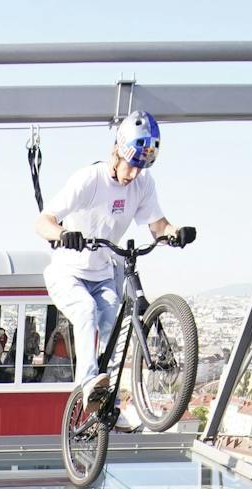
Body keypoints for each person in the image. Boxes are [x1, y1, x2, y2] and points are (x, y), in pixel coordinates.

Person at [36, 112, 195, 397]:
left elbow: (157, 225)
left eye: (141, 167)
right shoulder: (89, 180)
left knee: (112, 322)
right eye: (131, 165)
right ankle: (87, 385)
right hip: (67, 273)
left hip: (101, 274)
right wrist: (62, 234)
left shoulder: (143, 184)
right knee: (85, 310)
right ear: (117, 152)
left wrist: (175, 232)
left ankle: (106, 401)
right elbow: (43, 222)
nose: (133, 174)